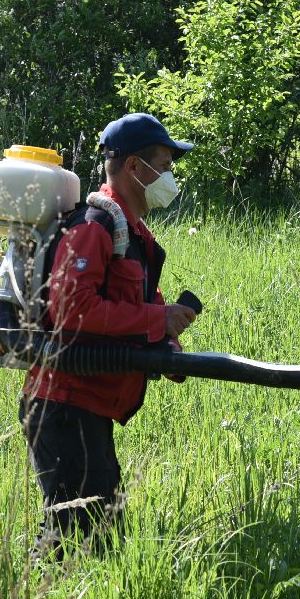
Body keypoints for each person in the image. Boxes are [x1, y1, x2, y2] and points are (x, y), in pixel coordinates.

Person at [19, 112, 199, 549]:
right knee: (75, 543)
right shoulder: (92, 227)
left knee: (96, 537)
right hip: (63, 409)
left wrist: (167, 345)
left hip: (88, 409)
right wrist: (159, 321)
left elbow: (139, 306)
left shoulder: (132, 234)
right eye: (166, 164)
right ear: (136, 168)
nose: (171, 176)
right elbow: (72, 311)